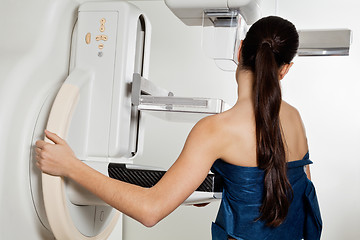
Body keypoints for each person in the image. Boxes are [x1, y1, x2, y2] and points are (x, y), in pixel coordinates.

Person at [36, 16, 322, 240]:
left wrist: (70, 167)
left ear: (239, 49)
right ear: (285, 69)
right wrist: (219, 188)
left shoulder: (216, 130)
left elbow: (150, 211)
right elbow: (286, 190)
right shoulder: (295, 119)